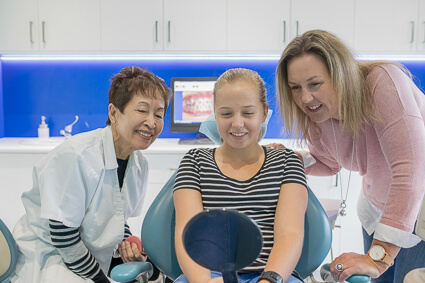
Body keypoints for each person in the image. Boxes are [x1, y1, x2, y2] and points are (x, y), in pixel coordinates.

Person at [273, 29, 425, 282]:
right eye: (295, 88)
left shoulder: (382, 83)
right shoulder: (320, 115)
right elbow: (328, 162)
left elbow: (411, 172)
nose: (305, 98)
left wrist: (379, 257)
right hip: (378, 210)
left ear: (341, 74)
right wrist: (290, 159)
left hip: (418, 209)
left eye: (315, 84)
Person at [10, 66, 170, 283]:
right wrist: (101, 279)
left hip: (88, 253)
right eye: (142, 111)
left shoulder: (139, 163)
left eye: (158, 114)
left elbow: (116, 216)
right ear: (113, 113)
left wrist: (127, 244)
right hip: (49, 255)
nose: (151, 122)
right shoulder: (76, 156)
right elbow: (63, 238)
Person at [173, 68, 308, 283]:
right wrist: (204, 282)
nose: (237, 123)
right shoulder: (195, 162)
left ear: (264, 113)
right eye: (226, 114)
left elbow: (289, 234)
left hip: (271, 274)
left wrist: (268, 280)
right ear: (214, 113)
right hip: (208, 275)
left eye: (248, 113)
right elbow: (187, 233)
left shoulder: (287, 163)